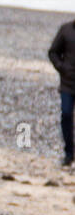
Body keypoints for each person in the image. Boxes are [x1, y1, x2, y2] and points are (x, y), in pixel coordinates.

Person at [49, 17, 75, 167]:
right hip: (67, 84)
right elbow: (53, 52)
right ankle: (68, 154)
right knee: (66, 115)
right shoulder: (66, 30)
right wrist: (61, 67)